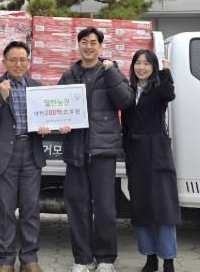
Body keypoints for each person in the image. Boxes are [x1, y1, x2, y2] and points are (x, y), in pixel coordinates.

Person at [57, 27, 134, 272]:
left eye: (93, 42)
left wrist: (111, 73)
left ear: (100, 47)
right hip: (76, 150)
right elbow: (57, 107)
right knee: (77, 207)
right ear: (78, 45)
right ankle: (82, 259)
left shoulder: (110, 71)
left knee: (104, 208)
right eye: (84, 42)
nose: (88, 46)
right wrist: (60, 124)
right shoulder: (69, 74)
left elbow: (125, 101)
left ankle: (106, 259)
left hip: (102, 151)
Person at [0, 41, 46, 272]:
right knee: (6, 209)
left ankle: (29, 259)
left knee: (30, 209)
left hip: (31, 153)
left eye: (23, 59)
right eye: (13, 60)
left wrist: (46, 128)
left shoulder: (37, 87)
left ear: (28, 62)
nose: (18, 64)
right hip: (5, 154)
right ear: (4, 62)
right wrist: (2, 99)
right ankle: (5, 261)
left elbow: (45, 119)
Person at [122, 50, 179, 272]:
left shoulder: (158, 89)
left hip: (157, 151)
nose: (141, 67)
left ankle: (169, 260)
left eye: (146, 64)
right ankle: (150, 257)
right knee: (141, 206)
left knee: (164, 207)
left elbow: (169, 94)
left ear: (153, 67)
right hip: (136, 153)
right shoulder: (128, 91)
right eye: (138, 63)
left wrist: (166, 72)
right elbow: (125, 125)